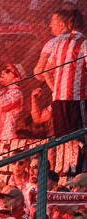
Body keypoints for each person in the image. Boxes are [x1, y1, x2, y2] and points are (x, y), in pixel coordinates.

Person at [41, 9, 86, 174]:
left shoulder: (58, 44)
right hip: (76, 98)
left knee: (62, 139)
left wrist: (56, 89)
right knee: (79, 136)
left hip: (58, 99)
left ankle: (61, 174)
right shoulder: (85, 43)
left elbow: (45, 71)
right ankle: (79, 173)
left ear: (68, 24)